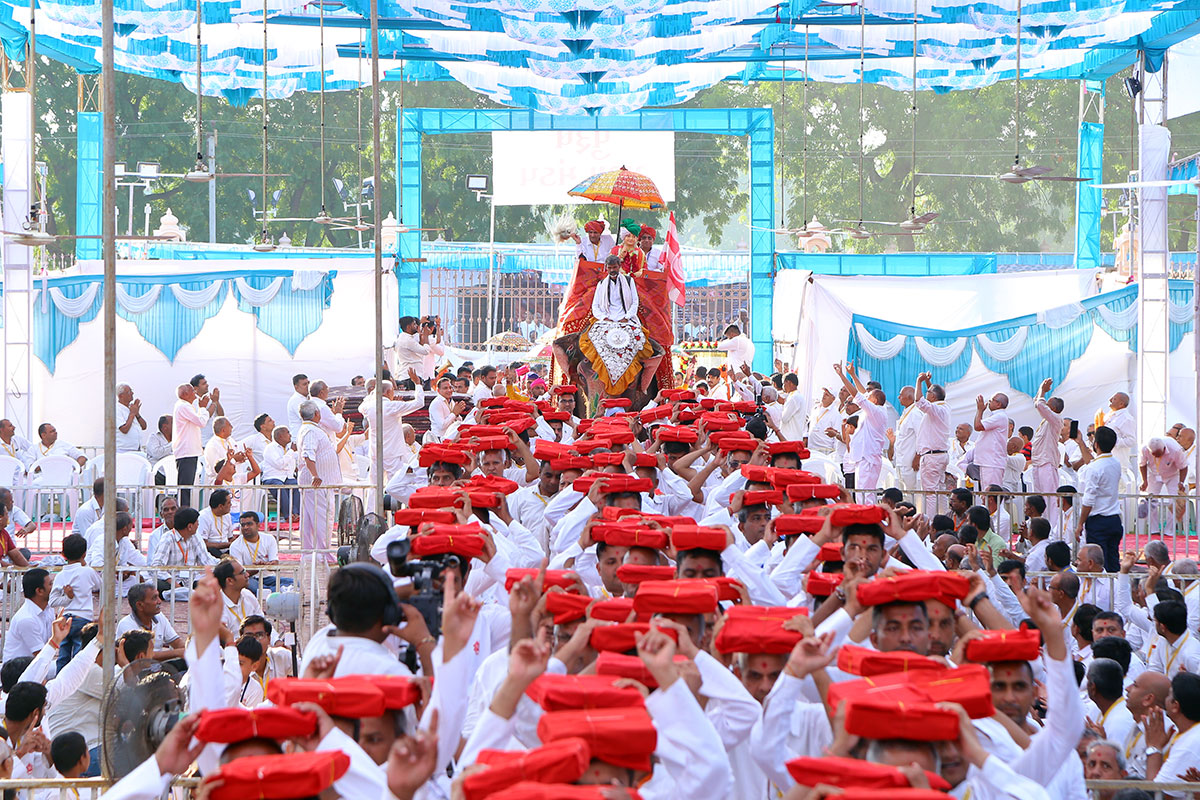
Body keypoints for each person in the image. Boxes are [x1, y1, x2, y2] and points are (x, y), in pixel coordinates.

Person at [1074, 426, 1124, 573]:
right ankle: (1115, 587)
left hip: (1098, 521)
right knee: (1113, 562)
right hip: (1114, 518)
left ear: (1096, 444)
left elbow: (1088, 500)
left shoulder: (1095, 468)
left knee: (1097, 564)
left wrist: (1080, 523)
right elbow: (1093, 463)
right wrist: (1081, 443)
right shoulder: (1115, 463)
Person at [47, 533, 100, 671]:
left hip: (65, 619)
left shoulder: (60, 575)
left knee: (63, 656)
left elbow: (52, 601)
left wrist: (67, 598)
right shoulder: (88, 572)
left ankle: (59, 680)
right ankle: (77, 681)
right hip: (83, 619)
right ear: (84, 554)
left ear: (63, 554)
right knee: (79, 656)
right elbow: (99, 585)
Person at [834, 362, 887, 497]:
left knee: (864, 495)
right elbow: (862, 393)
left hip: (868, 459)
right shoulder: (875, 409)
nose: (866, 397)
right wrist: (852, 375)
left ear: (874, 401)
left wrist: (841, 376)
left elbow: (856, 394)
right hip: (865, 457)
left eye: (869, 396)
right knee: (863, 494)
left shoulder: (875, 411)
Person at [298, 399, 340, 565]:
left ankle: (311, 552)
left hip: (317, 482)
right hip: (317, 483)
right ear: (317, 414)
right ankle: (323, 553)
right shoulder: (310, 431)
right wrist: (315, 475)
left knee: (312, 518)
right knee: (322, 518)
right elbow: (308, 454)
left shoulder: (310, 429)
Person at [115, 582, 184, 662]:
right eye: (154, 598)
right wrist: (177, 653)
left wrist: (186, 650)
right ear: (140, 605)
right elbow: (144, 656)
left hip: (157, 666)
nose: (159, 601)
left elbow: (176, 642)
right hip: (137, 668)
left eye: (158, 596)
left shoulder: (159, 616)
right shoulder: (126, 625)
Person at [172, 382, 212, 507]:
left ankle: (184, 510)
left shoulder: (184, 406)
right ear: (185, 394)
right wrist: (203, 408)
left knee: (186, 486)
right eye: (192, 391)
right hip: (186, 452)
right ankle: (183, 511)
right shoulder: (183, 406)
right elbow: (201, 421)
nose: (195, 393)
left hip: (188, 452)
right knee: (185, 487)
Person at [1139, 436, 1188, 536]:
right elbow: (1142, 464)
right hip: (1153, 474)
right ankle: (1154, 530)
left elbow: (1183, 466)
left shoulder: (1175, 449)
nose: (1156, 457)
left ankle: (1169, 531)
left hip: (1172, 475)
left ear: (1164, 448)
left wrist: (1181, 482)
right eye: (1154, 454)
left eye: (1158, 454)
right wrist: (1144, 481)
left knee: (1174, 501)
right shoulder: (1144, 449)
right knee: (1151, 500)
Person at [2, 568, 54, 661]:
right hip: (19, 668)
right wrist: (58, 636)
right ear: (39, 591)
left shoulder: (49, 610)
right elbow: (41, 657)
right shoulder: (26, 618)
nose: (55, 587)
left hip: (35, 664)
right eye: (51, 584)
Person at [228, 511, 285, 593]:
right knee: (252, 587)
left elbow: (275, 563)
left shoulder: (269, 539)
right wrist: (256, 569)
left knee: (295, 583)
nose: (245, 527)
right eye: (243, 525)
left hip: (268, 577)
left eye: (249, 524)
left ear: (258, 525)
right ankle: (277, 591)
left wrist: (268, 565)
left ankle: (271, 591)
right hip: (249, 578)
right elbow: (239, 574)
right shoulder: (235, 546)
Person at [973, 391, 1010, 489]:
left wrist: (980, 410)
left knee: (991, 493)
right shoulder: (997, 416)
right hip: (989, 461)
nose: (989, 402)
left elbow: (978, 426)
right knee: (987, 492)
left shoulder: (999, 416)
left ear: (998, 404)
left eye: (991, 400)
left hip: (992, 461)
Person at [261, 426, 299, 520]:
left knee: (297, 486)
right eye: (288, 433)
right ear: (280, 436)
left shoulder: (288, 449)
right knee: (280, 488)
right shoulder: (270, 448)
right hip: (272, 478)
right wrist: (291, 451)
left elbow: (293, 464)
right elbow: (280, 464)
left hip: (287, 478)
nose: (290, 435)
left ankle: (296, 514)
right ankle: (288, 515)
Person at [891, 384, 921, 492]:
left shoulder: (916, 413)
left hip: (910, 460)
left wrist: (918, 456)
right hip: (901, 460)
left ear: (909, 397)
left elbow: (921, 436)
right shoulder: (906, 412)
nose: (898, 397)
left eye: (901, 395)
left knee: (912, 492)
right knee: (902, 493)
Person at [1098, 391, 1137, 468]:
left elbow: (1131, 440)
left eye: (1114, 399)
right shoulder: (1109, 416)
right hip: (1105, 461)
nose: (1110, 400)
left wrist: (1111, 441)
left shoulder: (1126, 418)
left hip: (1118, 464)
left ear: (1121, 404)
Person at [115, 383, 147, 453]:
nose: (132, 393)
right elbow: (124, 429)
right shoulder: (116, 409)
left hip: (136, 449)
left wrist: (137, 413)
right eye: (129, 392)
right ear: (121, 396)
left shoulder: (131, 408)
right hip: (123, 450)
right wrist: (132, 414)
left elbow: (144, 426)